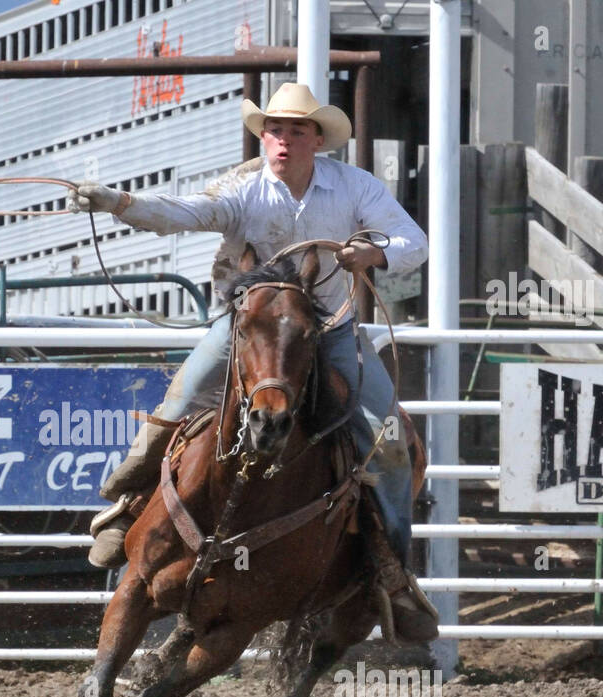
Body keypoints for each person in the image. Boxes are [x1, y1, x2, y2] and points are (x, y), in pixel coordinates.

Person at [67, 82, 438, 642]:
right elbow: (184, 212)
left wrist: (376, 252)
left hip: (328, 331)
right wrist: (120, 202)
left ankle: (391, 569)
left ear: (317, 139)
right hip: (247, 329)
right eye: (275, 130)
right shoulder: (243, 188)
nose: (283, 140)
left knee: (387, 442)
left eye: (296, 130)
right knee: (183, 397)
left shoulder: (354, 187)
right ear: (263, 137)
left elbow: (416, 241)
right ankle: (126, 508)